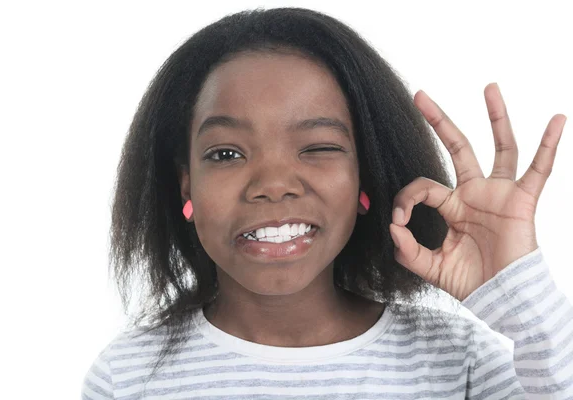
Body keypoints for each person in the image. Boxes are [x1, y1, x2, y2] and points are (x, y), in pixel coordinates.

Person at [81, 7, 572, 399]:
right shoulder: (129, 378)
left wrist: (522, 292)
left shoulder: (458, 364)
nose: (273, 185)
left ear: (365, 178)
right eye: (227, 153)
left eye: (317, 148)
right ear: (187, 188)